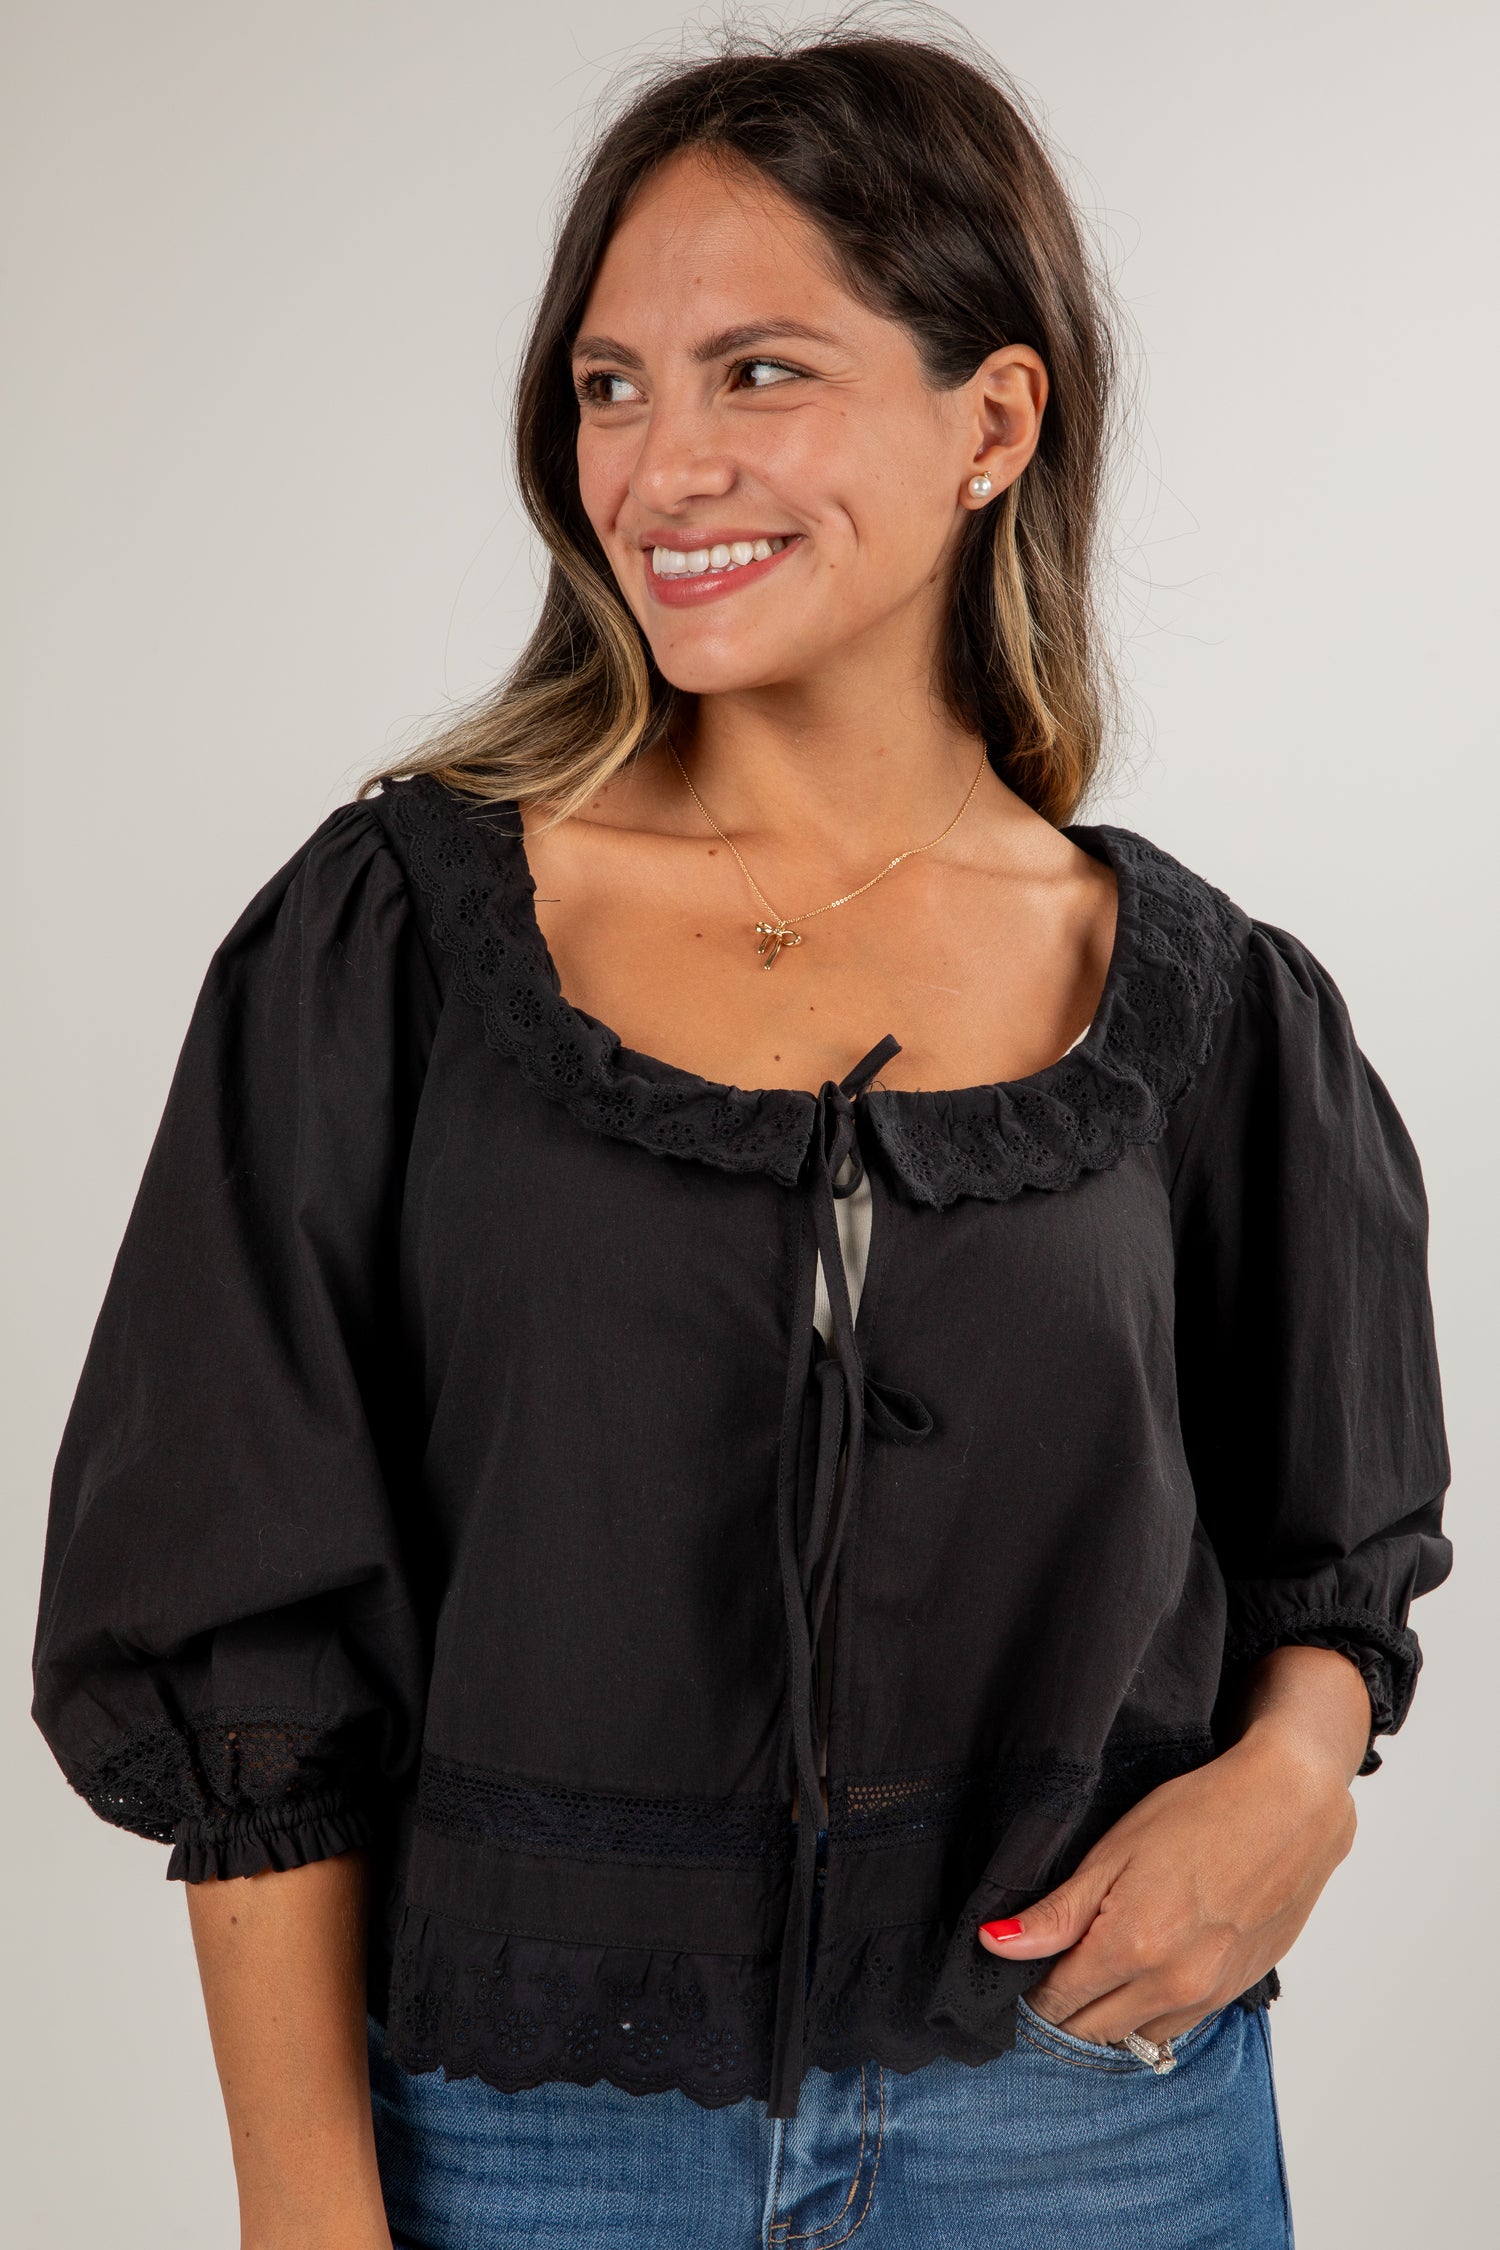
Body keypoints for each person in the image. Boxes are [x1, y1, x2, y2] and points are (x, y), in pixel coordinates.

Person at [32, 20, 1451, 2249]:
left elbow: (1332, 1554)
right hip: (521, 2141)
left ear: (996, 417)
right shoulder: (393, 943)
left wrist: (1295, 1786)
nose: (663, 463)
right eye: (612, 386)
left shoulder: (1204, 1003)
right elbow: (243, 1638)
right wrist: (306, 2209)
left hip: (1099, 2129)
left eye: (759, 371)